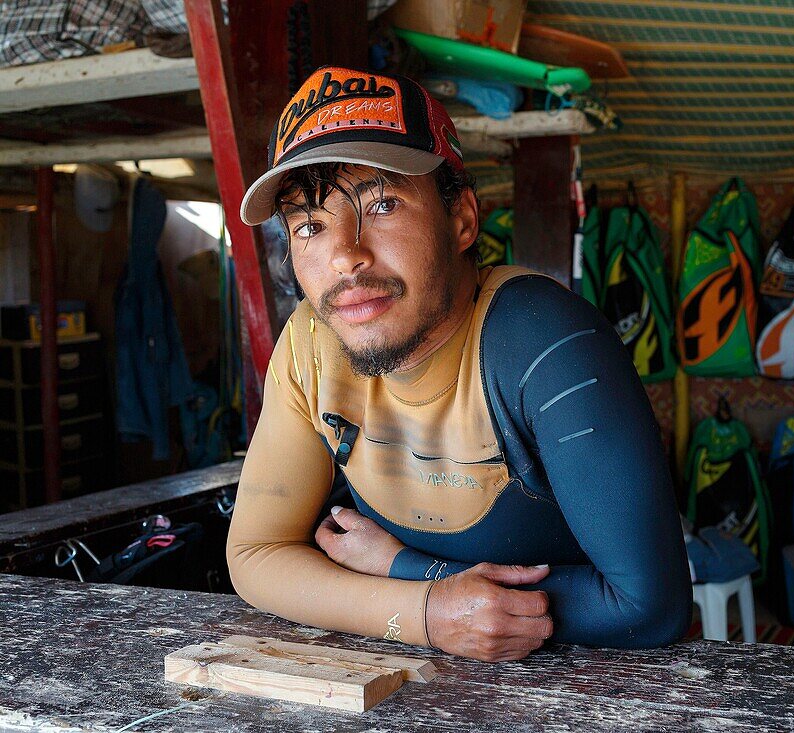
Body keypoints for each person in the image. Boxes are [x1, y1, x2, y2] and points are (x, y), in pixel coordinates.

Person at [229, 66, 691, 662]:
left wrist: (401, 567)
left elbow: (648, 607)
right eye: (310, 226)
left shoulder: (540, 339)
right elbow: (255, 555)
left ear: (462, 219)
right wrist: (427, 614)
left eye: (384, 202)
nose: (344, 256)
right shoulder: (309, 347)